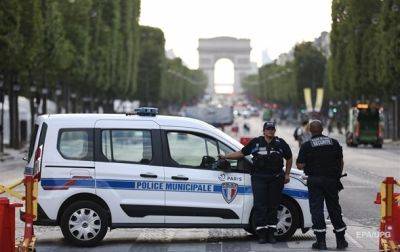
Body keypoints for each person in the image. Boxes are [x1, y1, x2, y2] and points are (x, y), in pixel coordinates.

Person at [219, 121, 292, 244]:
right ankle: (262, 234)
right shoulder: (256, 142)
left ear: (274, 130)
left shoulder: (280, 143)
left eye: (272, 129)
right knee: (260, 205)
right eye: (268, 129)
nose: (270, 131)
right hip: (259, 178)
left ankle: (271, 234)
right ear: (263, 131)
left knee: (273, 205)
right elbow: (242, 153)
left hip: (276, 178)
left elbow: (289, 158)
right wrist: (226, 157)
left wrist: (287, 174)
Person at [296, 120, 348, 250]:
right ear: (322, 129)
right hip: (331, 181)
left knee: (317, 210)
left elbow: (299, 165)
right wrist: (337, 176)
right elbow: (340, 161)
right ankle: (341, 241)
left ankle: (321, 242)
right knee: (334, 208)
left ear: (310, 130)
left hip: (315, 181)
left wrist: (310, 163)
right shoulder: (334, 143)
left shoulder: (307, 145)